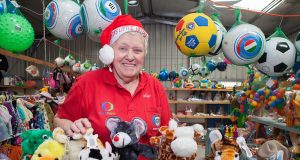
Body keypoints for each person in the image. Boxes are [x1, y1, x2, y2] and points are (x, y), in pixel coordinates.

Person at [53, 15, 172, 153]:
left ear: (144, 54)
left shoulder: (155, 86)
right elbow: (58, 120)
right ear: (109, 52)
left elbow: (167, 132)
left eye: (137, 50)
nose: (130, 56)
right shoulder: (86, 84)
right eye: (122, 48)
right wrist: (70, 126)